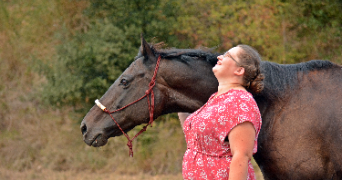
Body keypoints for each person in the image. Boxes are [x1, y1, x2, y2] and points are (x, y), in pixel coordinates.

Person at [179, 45, 264, 180]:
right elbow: (195, 140)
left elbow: (241, 156)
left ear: (239, 70)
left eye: (227, 56)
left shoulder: (241, 103)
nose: (219, 57)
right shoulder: (217, 98)